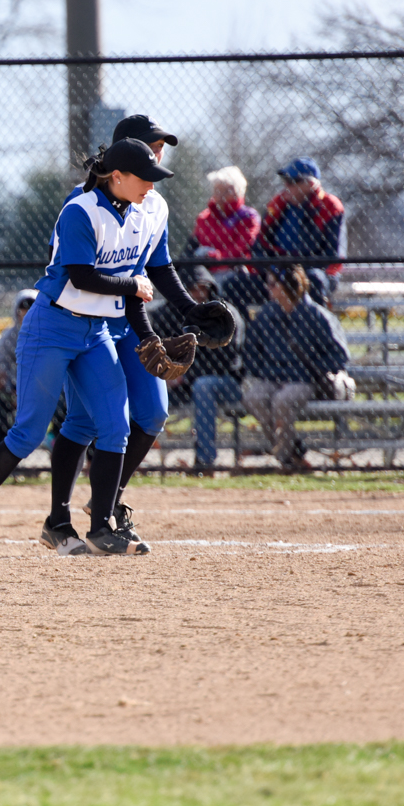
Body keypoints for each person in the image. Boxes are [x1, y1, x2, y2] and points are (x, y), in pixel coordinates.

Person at [0, 137, 175, 559]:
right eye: (143, 177)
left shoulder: (136, 213)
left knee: (115, 423)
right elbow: (82, 277)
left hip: (95, 332)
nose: (150, 185)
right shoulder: (81, 210)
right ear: (118, 177)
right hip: (50, 328)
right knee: (30, 431)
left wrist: (147, 335)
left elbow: (131, 288)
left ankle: (102, 527)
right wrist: (132, 285)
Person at [46, 115, 229, 549]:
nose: (158, 155)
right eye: (150, 147)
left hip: (127, 320)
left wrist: (190, 309)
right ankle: (60, 518)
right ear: (119, 162)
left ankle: (108, 502)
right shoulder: (86, 202)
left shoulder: (155, 203)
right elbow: (80, 271)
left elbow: (157, 266)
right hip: (87, 321)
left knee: (153, 414)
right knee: (84, 421)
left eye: (161, 147)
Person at [241, 266, 351, 473]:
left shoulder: (317, 316)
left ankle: (286, 459)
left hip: (306, 381)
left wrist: (307, 372)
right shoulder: (267, 315)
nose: (268, 288)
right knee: (253, 397)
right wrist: (268, 373)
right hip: (274, 378)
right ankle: (294, 452)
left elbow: (339, 356)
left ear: (288, 287)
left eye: (273, 284)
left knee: (283, 400)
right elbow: (251, 354)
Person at [174, 270, 251, 475]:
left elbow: (224, 362)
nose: (198, 293)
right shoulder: (185, 313)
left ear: (211, 289)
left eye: (202, 288)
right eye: (192, 289)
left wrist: (184, 375)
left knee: (204, 386)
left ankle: (205, 461)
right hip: (190, 379)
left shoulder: (225, 315)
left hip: (231, 383)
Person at [253, 157, 346, 303]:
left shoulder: (329, 207)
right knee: (234, 284)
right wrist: (271, 269)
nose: (286, 186)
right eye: (286, 181)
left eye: (292, 182)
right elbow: (259, 247)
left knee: (314, 280)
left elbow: (331, 256)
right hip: (277, 270)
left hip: (314, 273)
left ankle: (312, 325)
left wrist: (295, 271)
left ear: (310, 184)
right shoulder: (279, 204)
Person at [192, 164, 262, 309]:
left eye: (225, 191)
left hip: (235, 270)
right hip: (207, 271)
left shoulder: (248, 217)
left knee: (231, 285)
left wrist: (217, 256)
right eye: (216, 191)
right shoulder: (204, 218)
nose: (218, 196)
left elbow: (243, 247)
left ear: (238, 192)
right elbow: (193, 244)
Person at [0, 288, 37, 425]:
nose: (26, 312)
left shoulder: (47, 335)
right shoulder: (9, 337)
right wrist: (8, 388)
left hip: (43, 387)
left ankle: (54, 437)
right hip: (14, 387)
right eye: (23, 308)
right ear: (17, 311)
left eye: (31, 307)